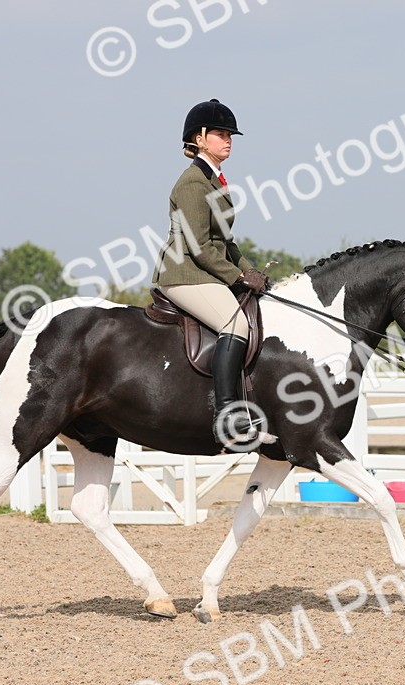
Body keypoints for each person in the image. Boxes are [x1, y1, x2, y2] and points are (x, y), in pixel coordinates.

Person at [153, 98, 268, 445]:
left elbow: (225, 242)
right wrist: (236, 278)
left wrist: (250, 271)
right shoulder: (192, 183)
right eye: (220, 133)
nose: (228, 139)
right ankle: (226, 412)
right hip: (184, 273)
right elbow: (200, 246)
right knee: (235, 323)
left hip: (204, 270)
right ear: (199, 139)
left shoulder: (214, 181)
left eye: (230, 134)